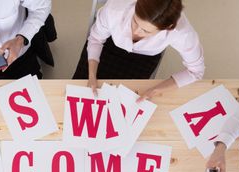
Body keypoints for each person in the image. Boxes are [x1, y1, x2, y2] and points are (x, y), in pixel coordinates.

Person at [73, 0, 205, 101]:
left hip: (144, 58)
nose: (135, 31)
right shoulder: (115, 9)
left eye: (146, 31)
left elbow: (196, 71)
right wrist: (91, 75)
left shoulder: (182, 33)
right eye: (135, 22)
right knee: (78, 93)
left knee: (123, 105)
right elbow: (96, 39)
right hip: (108, 44)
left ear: (168, 28)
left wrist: (154, 90)